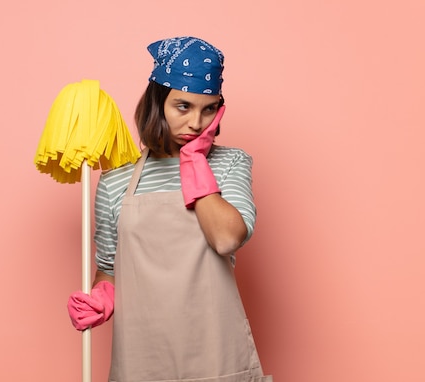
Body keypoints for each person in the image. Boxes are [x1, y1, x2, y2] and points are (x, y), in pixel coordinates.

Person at [67, 36, 272, 382]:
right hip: (142, 362)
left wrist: (193, 161)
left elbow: (225, 239)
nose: (196, 123)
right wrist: (101, 298)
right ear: (157, 102)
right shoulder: (117, 181)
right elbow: (108, 270)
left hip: (216, 358)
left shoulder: (229, 164)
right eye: (183, 106)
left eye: (209, 109)